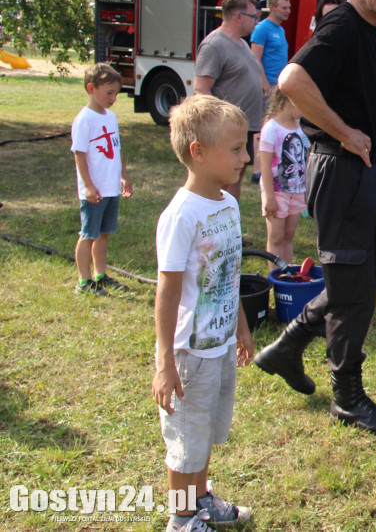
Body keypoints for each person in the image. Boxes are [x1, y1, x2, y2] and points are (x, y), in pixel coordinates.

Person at [253, 0, 376, 438]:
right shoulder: (343, 24)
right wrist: (344, 131)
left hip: (364, 169)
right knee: (353, 295)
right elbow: (291, 78)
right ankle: (347, 397)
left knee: (360, 282)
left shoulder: (375, 29)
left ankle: (283, 349)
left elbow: (362, 85)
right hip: (339, 169)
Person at [153, 94, 254, 531]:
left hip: (221, 346)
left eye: (244, 146)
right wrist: (164, 362)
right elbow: (168, 289)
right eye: (235, 149)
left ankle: (200, 499)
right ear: (198, 152)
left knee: (204, 434)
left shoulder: (228, 205)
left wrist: (242, 329)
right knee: (183, 446)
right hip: (189, 355)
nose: (246, 157)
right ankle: (180, 518)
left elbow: (230, 273)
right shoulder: (182, 215)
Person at [71, 63, 133, 296]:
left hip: (110, 188)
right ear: (91, 88)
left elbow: (116, 149)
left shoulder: (111, 117)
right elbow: (80, 154)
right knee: (89, 234)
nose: (113, 98)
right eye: (109, 93)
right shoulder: (84, 119)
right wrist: (88, 185)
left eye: (116, 93)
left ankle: (100, 274)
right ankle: (84, 282)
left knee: (104, 233)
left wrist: (123, 176)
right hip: (94, 190)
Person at [194, 0, 264, 201]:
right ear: (238, 16)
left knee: (235, 178)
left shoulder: (242, 44)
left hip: (245, 127)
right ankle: (208, 227)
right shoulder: (214, 45)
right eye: (254, 17)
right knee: (220, 180)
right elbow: (201, 89)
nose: (256, 22)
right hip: (225, 129)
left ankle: (229, 228)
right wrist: (216, 125)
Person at [258, 88, 310, 271]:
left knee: (288, 235)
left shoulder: (302, 128)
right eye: (300, 104)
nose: (304, 109)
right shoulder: (271, 128)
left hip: (297, 191)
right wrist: (270, 197)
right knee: (276, 237)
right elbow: (264, 165)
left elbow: (306, 159)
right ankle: (275, 278)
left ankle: (286, 274)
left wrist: (305, 191)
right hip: (277, 191)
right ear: (286, 101)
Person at [250, 0, 291, 94]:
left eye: (289, 7)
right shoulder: (261, 28)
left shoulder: (281, 30)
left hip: (279, 84)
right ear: (272, 7)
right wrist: (265, 86)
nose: (288, 11)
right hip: (268, 84)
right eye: (284, 8)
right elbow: (255, 60)